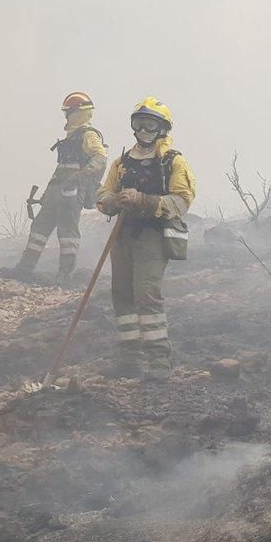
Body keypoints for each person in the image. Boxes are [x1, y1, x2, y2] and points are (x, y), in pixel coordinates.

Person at [95, 97, 196, 381]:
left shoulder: (173, 162)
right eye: (139, 123)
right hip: (123, 235)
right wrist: (113, 200)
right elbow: (102, 195)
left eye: (150, 123)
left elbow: (182, 201)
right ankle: (130, 359)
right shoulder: (121, 162)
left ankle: (158, 362)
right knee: (122, 295)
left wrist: (144, 200)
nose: (144, 129)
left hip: (153, 236)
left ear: (162, 127)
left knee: (146, 295)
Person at [2, 92, 106, 283]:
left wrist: (79, 177)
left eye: (68, 112)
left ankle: (64, 275)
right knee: (39, 228)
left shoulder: (88, 135)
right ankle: (24, 269)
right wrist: (47, 195)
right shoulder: (72, 136)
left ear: (77, 113)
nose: (66, 116)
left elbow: (100, 159)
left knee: (67, 233)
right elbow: (62, 169)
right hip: (57, 191)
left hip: (72, 193)